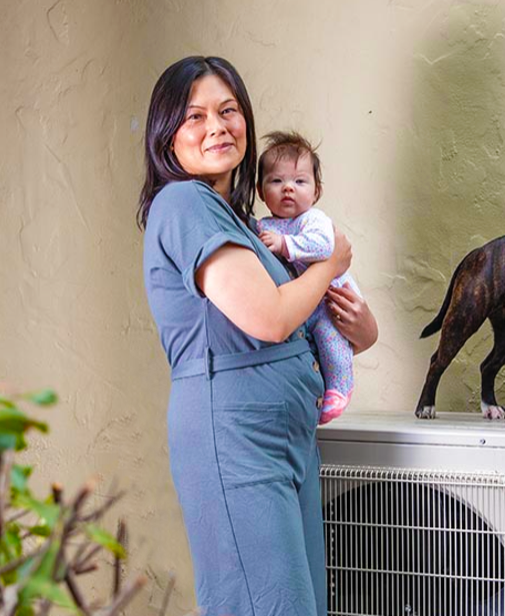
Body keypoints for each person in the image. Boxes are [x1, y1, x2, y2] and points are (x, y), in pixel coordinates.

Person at [138, 56, 377, 616]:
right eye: (194, 116)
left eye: (228, 110)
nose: (217, 126)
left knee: (301, 604)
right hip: (237, 435)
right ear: (165, 134)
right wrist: (331, 261)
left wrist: (358, 321)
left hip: (286, 439)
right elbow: (269, 318)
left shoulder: (245, 220)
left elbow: (348, 331)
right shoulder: (183, 203)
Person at [256, 131, 362, 424]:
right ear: (260, 190)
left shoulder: (313, 220)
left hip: (330, 302)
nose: (288, 188)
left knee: (332, 341)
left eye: (300, 181)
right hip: (302, 307)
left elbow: (325, 247)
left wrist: (284, 245)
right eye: (277, 181)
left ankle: (340, 387)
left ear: (316, 191)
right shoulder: (262, 226)